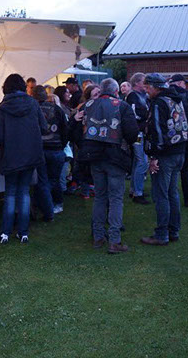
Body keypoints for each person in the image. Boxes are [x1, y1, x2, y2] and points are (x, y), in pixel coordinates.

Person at [73, 78, 139, 253]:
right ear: (116, 91)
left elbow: (78, 130)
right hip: (115, 156)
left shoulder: (87, 105)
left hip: (94, 157)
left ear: (101, 90)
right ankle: (114, 240)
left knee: (100, 197)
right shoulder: (122, 106)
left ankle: (98, 236)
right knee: (116, 198)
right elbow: (132, 133)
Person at [0, 73, 47, 244]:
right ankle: (23, 232)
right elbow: (44, 127)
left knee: (10, 193)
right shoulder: (33, 104)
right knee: (24, 192)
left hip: (10, 155)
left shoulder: (3, 108)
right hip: (30, 154)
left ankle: (6, 232)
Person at [140, 73, 188, 246]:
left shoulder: (158, 103)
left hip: (165, 155)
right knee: (172, 193)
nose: (146, 91)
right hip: (180, 152)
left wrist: (154, 156)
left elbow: (156, 130)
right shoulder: (176, 99)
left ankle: (162, 234)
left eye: (148, 87)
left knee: (161, 194)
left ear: (156, 87)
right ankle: (173, 231)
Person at [33, 85, 68, 216]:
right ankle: (56, 204)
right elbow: (65, 129)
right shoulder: (57, 109)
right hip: (56, 149)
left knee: (42, 181)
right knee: (54, 179)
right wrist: (62, 145)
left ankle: (45, 207)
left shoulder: (33, 110)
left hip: (40, 149)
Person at [168, 74, 188, 207]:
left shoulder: (163, 95)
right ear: (179, 83)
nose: (185, 85)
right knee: (186, 168)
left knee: (167, 169)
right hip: (186, 135)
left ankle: (164, 197)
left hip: (169, 137)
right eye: (184, 83)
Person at [126, 72, 150, 204]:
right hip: (137, 134)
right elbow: (134, 114)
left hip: (141, 132)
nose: (145, 84)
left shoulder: (143, 96)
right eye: (143, 81)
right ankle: (137, 192)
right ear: (136, 83)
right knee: (142, 161)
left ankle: (134, 189)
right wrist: (146, 119)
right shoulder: (132, 96)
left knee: (137, 161)